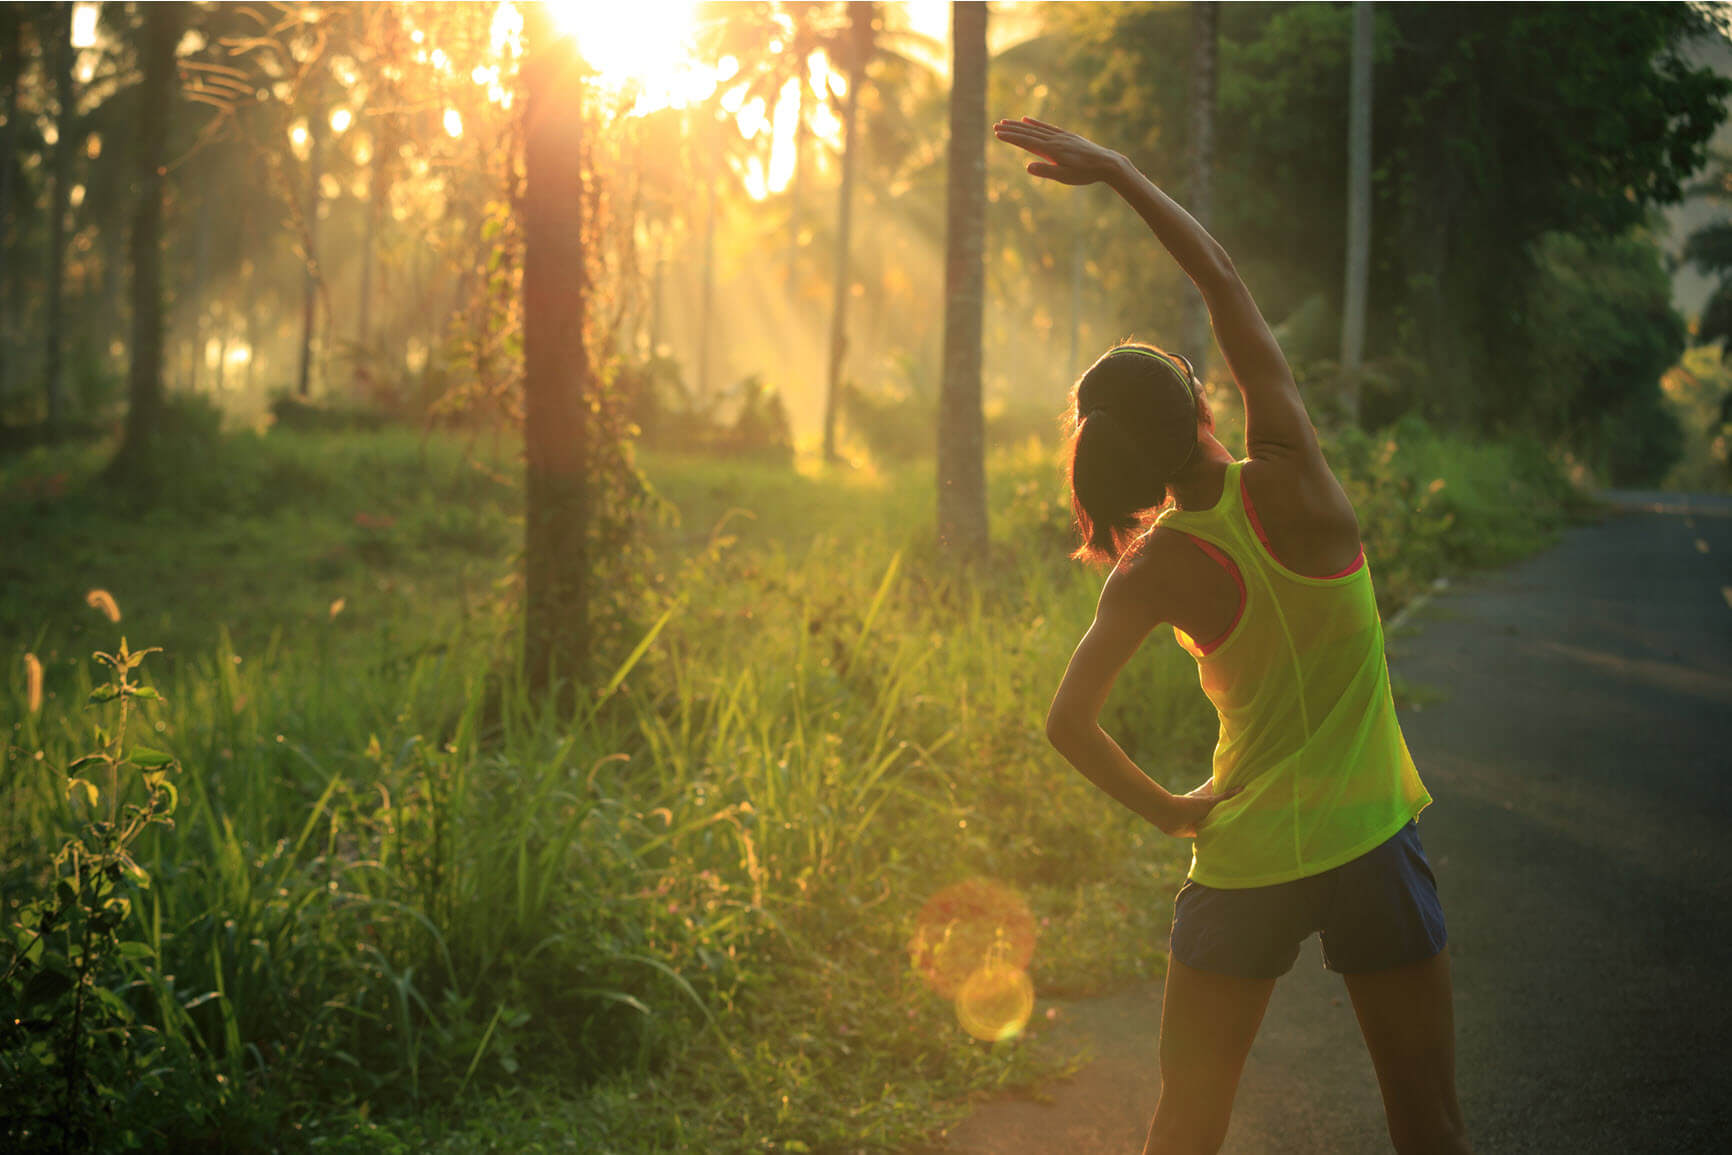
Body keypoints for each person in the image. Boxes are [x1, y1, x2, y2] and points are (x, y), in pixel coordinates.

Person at [993, 117, 1470, 1155]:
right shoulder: (1294, 474)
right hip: (1372, 843)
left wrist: (1173, 813)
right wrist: (1120, 171)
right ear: (1204, 400)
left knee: (1187, 1124)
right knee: (1426, 1125)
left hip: (1242, 859)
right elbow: (1222, 282)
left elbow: (1067, 723)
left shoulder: (1151, 568)